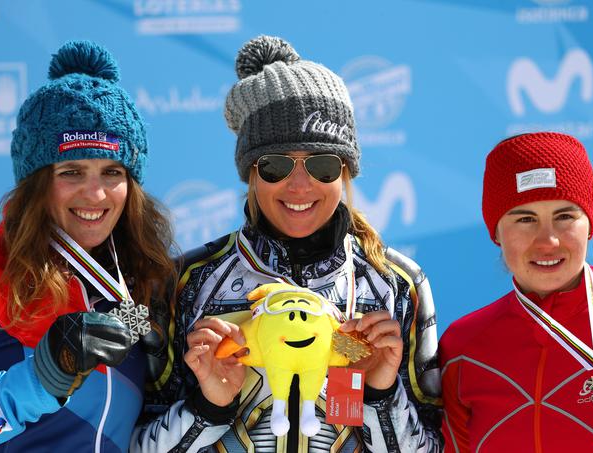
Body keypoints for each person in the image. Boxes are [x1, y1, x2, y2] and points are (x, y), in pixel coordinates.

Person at [132, 35, 442, 452]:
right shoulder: (184, 282)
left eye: (322, 163)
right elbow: (133, 442)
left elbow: (435, 444)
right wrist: (206, 406)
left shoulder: (398, 283)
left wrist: (381, 396)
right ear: (250, 173)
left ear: (346, 170)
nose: (299, 184)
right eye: (276, 165)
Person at [0, 40, 175, 452]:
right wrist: (39, 379)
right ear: (36, 183)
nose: (95, 194)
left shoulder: (145, 282)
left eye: (112, 171)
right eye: (72, 171)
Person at [439, 132, 593, 452]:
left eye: (565, 216)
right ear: (496, 232)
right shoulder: (461, 348)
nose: (548, 240)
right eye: (525, 219)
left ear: (589, 224)